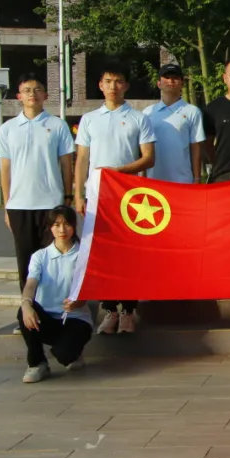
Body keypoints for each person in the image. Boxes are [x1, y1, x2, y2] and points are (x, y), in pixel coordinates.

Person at [75, 65, 156, 335]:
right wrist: (78, 194)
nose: (113, 86)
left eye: (118, 81)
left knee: (129, 256)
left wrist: (118, 172)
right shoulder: (89, 119)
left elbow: (148, 158)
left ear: (126, 86)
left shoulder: (138, 118)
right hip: (98, 197)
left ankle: (128, 312)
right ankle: (109, 310)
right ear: (100, 85)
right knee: (103, 255)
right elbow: (82, 159)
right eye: (108, 81)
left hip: (129, 198)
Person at [0, 73, 75, 298]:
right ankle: (29, 307)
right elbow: (5, 169)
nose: (32, 94)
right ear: (19, 96)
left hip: (51, 204)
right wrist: (7, 206)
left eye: (37, 89)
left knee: (52, 259)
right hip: (19, 206)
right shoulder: (8, 128)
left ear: (45, 95)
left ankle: (53, 306)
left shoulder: (57, 125)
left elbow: (66, 166)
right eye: (27, 90)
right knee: (26, 261)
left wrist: (67, 198)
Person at [17, 205, 93, 382]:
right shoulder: (40, 256)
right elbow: (31, 284)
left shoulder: (84, 255)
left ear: (74, 226)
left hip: (76, 318)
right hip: (48, 318)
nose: (62, 230)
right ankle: (37, 363)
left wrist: (78, 302)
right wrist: (26, 304)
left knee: (65, 355)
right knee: (24, 311)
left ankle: (73, 351)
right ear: (50, 227)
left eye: (67, 224)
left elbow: (89, 288)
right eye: (57, 225)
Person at [142, 63, 205, 184]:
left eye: (175, 78)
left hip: (183, 181)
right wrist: (143, 178)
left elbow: (196, 148)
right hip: (153, 180)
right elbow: (144, 150)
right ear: (158, 83)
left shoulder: (193, 112)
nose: (171, 81)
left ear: (182, 83)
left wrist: (197, 178)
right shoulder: (147, 113)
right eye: (166, 77)